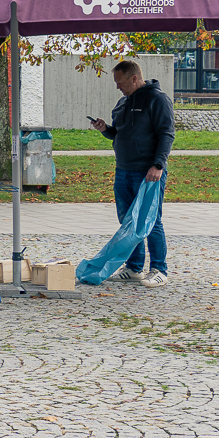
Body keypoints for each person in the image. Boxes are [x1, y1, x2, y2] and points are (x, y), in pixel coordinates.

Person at [90, 58, 173, 286]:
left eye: (121, 82)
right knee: (128, 221)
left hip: (148, 171)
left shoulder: (157, 99)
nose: (118, 86)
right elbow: (120, 134)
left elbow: (166, 133)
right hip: (123, 170)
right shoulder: (122, 103)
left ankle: (159, 269)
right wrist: (106, 129)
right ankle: (135, 267)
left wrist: (158, 165)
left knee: (151, 220)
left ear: (134, 78)